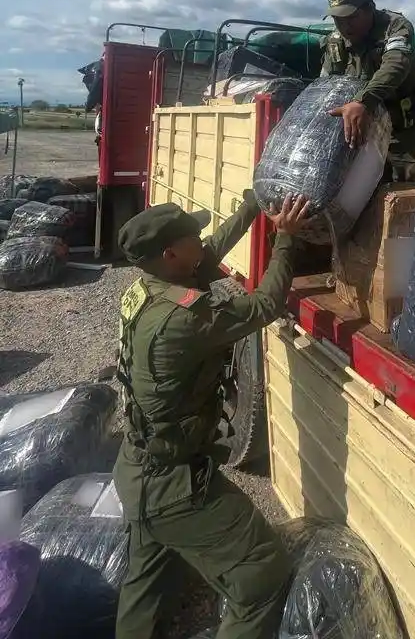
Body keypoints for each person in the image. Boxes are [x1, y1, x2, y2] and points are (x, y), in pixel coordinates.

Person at [113, 191, 310, 639]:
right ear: (170, 253)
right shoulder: (185, 320)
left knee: (147, 580)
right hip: (173, 485)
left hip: (138, 471)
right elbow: (264, 306)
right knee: (260, 570)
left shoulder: (147, 288)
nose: (201, 240)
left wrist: (252, 208)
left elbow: (209, 254)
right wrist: (285, 240)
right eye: (192, 236)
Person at [321, 0, 415, 163]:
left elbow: (396, 64)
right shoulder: (336, 41)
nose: (344, 26)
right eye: (337, 19)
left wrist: (364, 102)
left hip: (405, 133)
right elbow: (326, 86)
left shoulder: (395, 26)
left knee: (413, 185)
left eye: (351, 17)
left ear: (369, 8)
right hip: (362, 135)